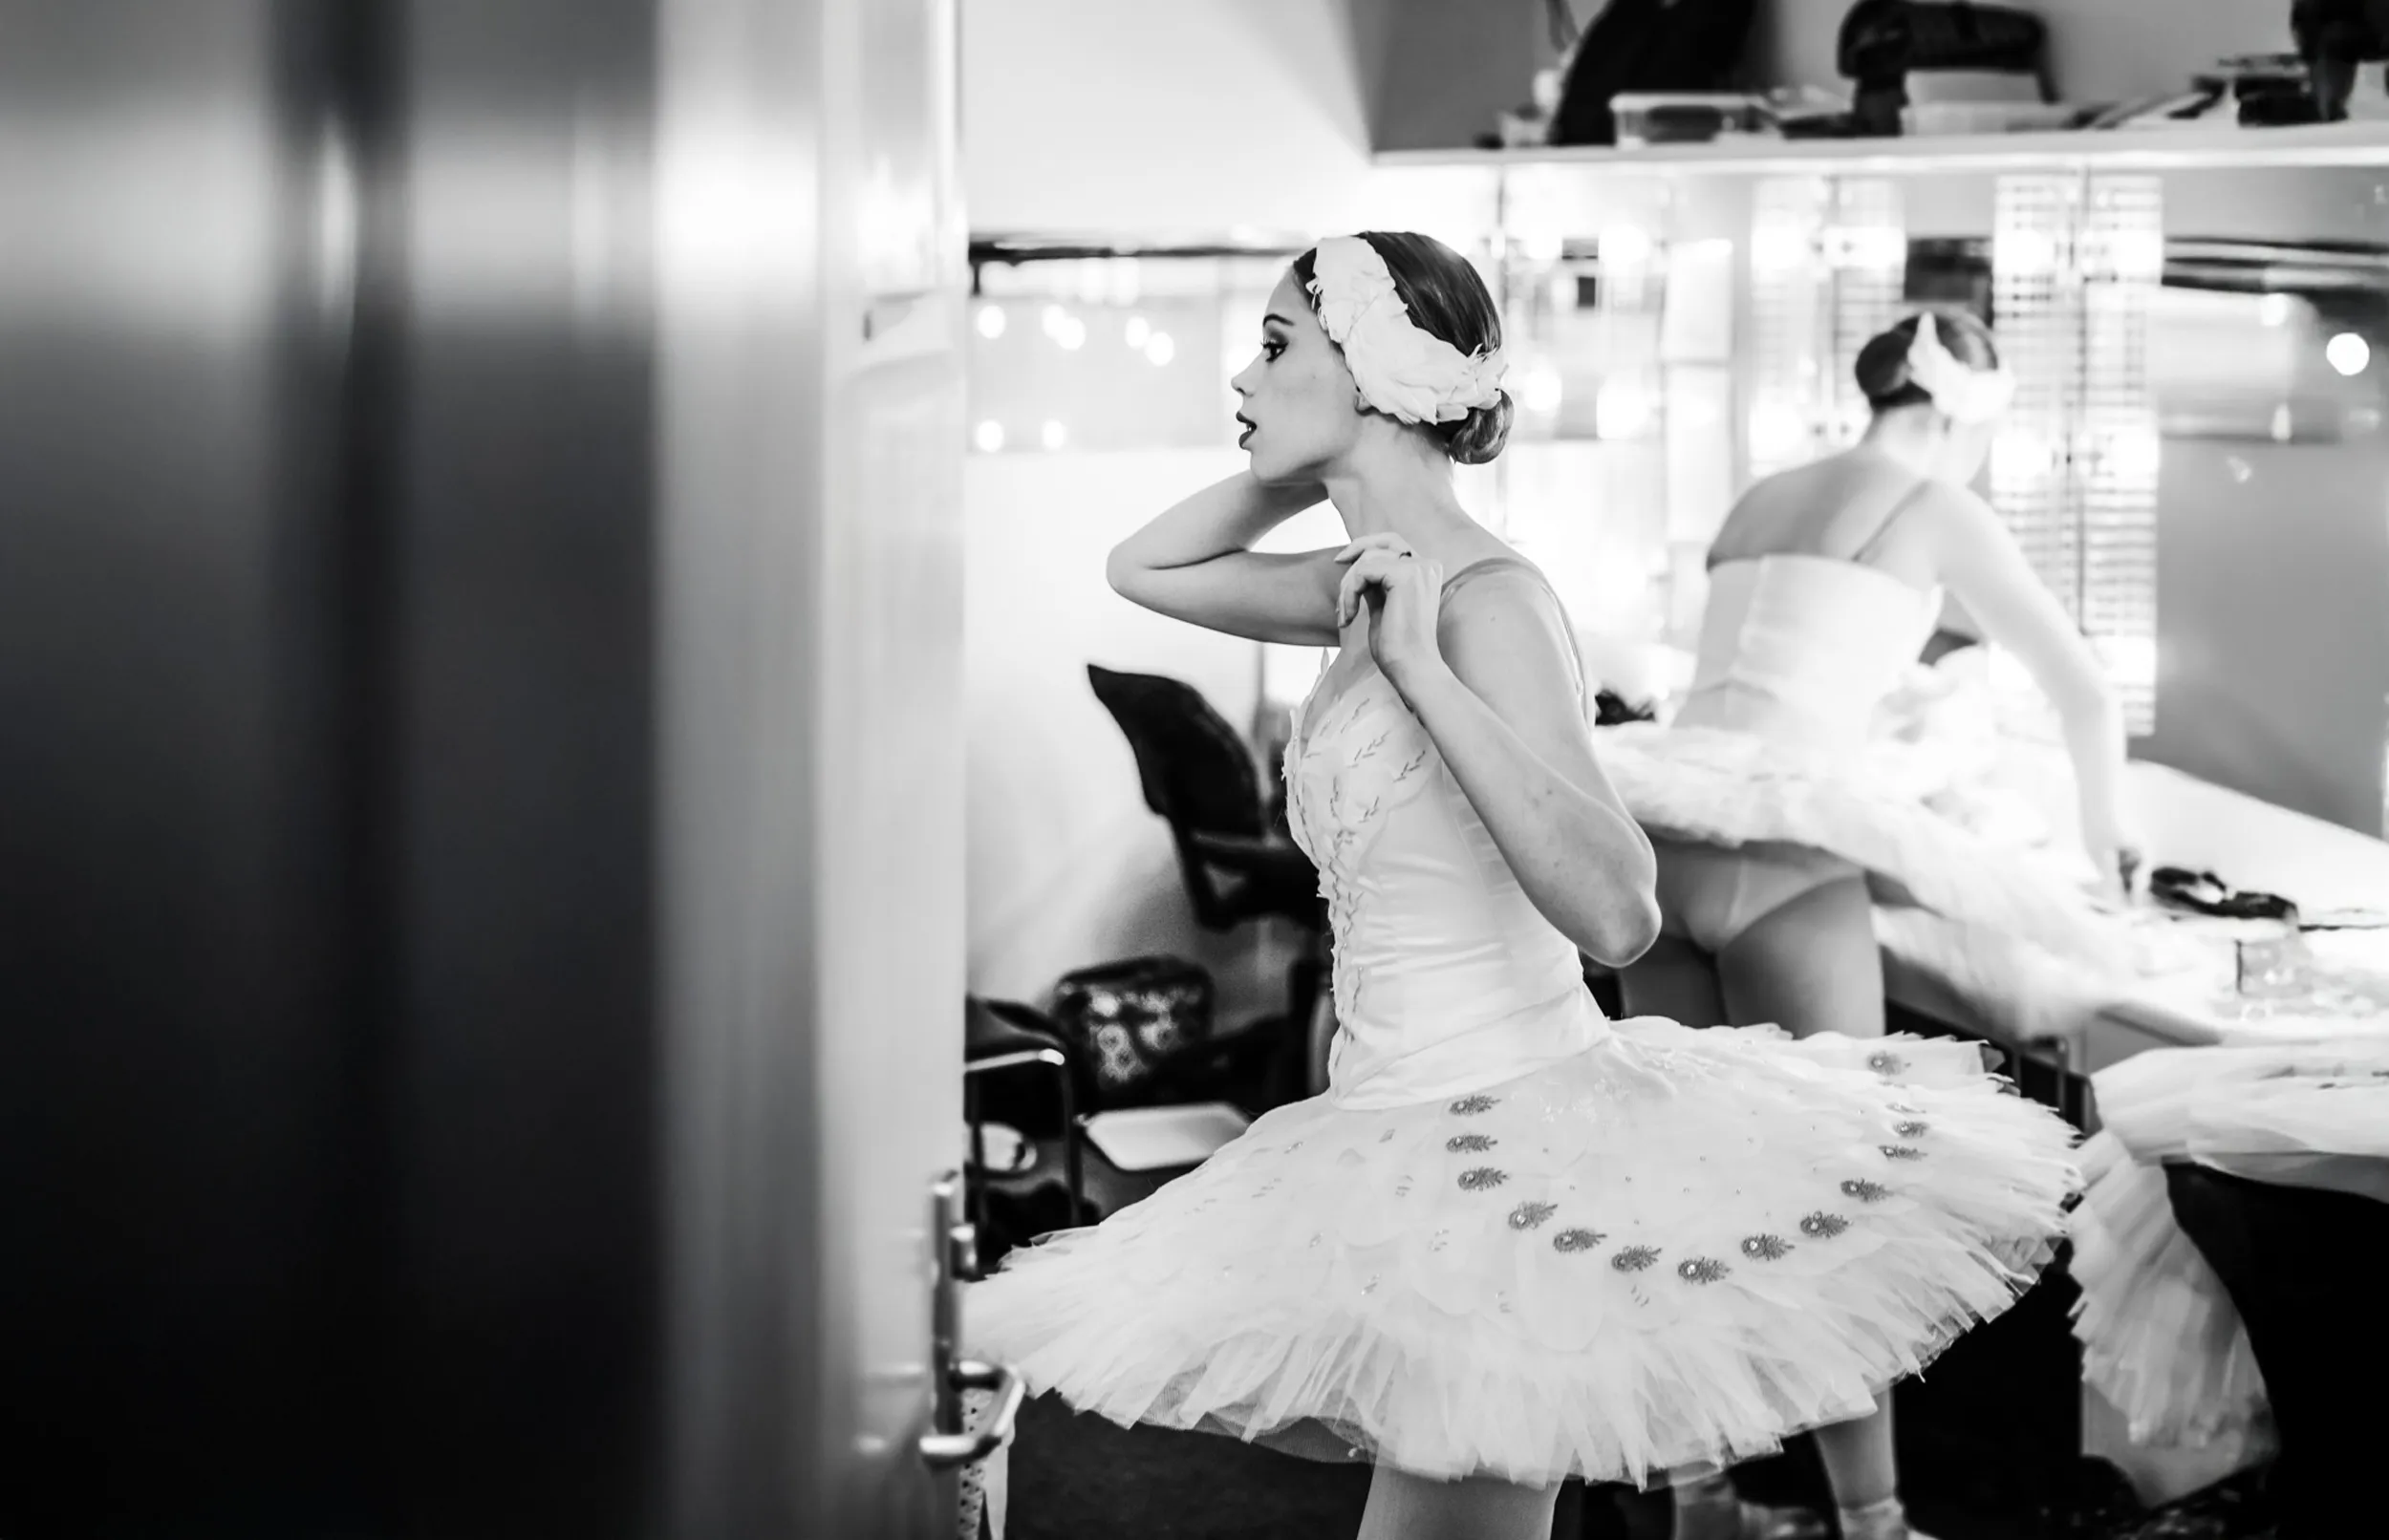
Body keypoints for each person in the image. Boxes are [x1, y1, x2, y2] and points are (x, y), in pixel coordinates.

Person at [965, 234, 2078, 1540]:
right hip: (1389, 1125)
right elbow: (1144, 569)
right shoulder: (1362, 586)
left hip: (1501, 1149)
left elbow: (1619, 911)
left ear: (1380, 372)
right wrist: (1317, 454)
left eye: (1276, 349)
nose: (1245, 377)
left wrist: (1425, 666)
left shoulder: (1487, 604)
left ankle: (1866, 1516)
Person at [1600, 310, 2140, 1540]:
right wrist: (2106, 855)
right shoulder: (1933, 503)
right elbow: (2085, 689)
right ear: (1961, 413)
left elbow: (1767, 675)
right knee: (1844, 1208)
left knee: (1687, 1198)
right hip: (1785, 859)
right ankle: (1875, 1521)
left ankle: (1704, 1503)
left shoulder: (1763, 494)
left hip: (1660, 836)